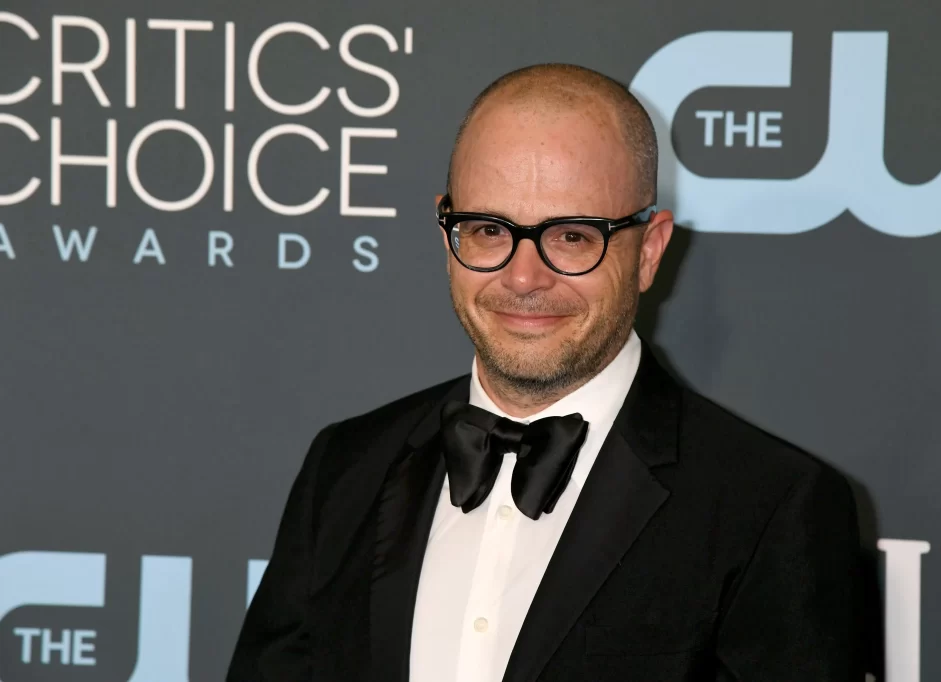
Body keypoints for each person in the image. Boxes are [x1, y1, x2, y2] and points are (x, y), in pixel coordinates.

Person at [227, 63, 863, 682]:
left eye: (573, 236)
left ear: (649, 252)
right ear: (448, 235)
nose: (523, 277)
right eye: (488, 229)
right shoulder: (345, 468)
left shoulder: (771, 507)